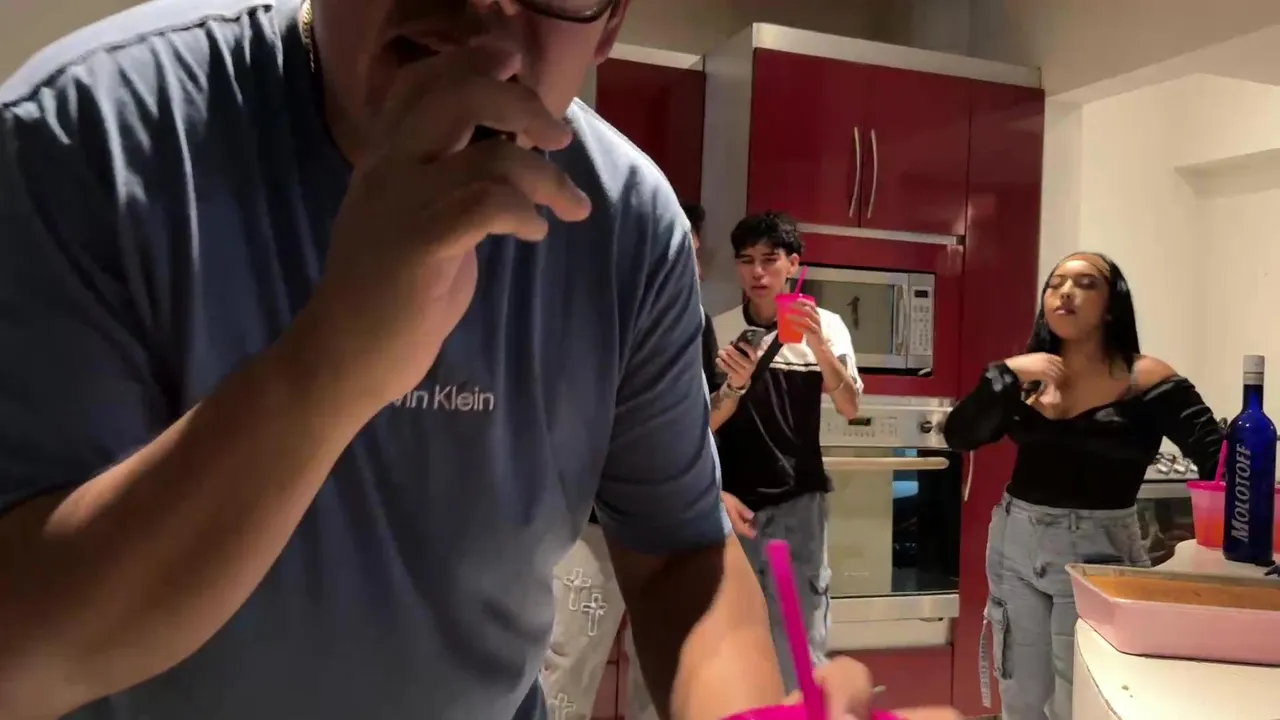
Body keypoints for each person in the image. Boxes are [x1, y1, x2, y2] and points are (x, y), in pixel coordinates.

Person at [0, 0, 967, 717]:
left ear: (610, 25)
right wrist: (331, 363)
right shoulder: (91, 133)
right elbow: (24, 656)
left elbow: (680, 556)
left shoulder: (625, 223)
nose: (480, 10)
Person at [944, 252, 1223, 720]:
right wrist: (1004, 374)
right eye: (1055, 284)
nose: (1066, 293)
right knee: (1021, 695)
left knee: (1081, 700)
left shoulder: (1147, 379)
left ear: (1112, 306)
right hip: (1017, 542)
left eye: (1086, 283)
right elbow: (960, 435)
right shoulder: (1027, 380)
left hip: (1100, 552)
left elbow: (1222, 461)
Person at [541, 201, 717, 720]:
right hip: (586, 525)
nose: (684, 267)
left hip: (668, 532)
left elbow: (694, 426)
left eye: (690, 254)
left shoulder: (697, 325)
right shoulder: (581, 316)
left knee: (664, 674)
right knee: (567, 665)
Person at [709, 211, 863, 693]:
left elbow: (850, 407)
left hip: (798, 505)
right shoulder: (718, 329)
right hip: (731, 506)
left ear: (793, 264)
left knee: (799, 642)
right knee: (731, 641)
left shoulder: (828, 326)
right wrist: (735, 384)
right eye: (746, 260)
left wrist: (818, 346)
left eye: (769, 260)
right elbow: (700, 425)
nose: (757, 272)